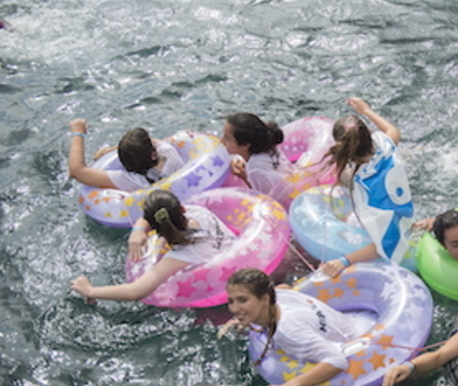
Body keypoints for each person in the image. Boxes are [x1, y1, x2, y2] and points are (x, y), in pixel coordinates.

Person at [221, 268, 371, 386]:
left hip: (364, 347)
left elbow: (337, 361)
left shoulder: (288, 332)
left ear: (265, 298)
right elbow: (284, 287)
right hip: (361, 318)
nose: (234, 308)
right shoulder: (279, 296)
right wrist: (245, 316)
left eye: (242, 300)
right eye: (231, 301)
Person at [70, 190, 234, 303]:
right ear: (182, 208)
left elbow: (135, 291)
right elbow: (161, 215)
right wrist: (138, 229)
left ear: (154, 229)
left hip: (224, 284)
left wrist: (89, 291)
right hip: (236, 251)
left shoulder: (182, 255)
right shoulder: (198, 212)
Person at [317, 97, 414, 277]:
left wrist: (343, 260)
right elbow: (393, 131)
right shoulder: (385, 146)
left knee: (347, 219)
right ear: (369, 134)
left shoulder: (366, 191)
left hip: (390, 230)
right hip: (402, 211)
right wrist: (366, 110)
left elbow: (384, 244)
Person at [67, 119, 185, 191]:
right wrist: (108, 151)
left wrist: (78, 133)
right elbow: (154, 142)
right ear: (153, 154)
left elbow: (77, 171)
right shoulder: (169, 152)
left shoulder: (131, 180)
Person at [221, 112, 295, 195]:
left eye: (227, 138)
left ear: (245, 144)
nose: (222, 141)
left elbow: (264, 198)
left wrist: (244, 177)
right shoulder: (268, 147)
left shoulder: (256, 171)